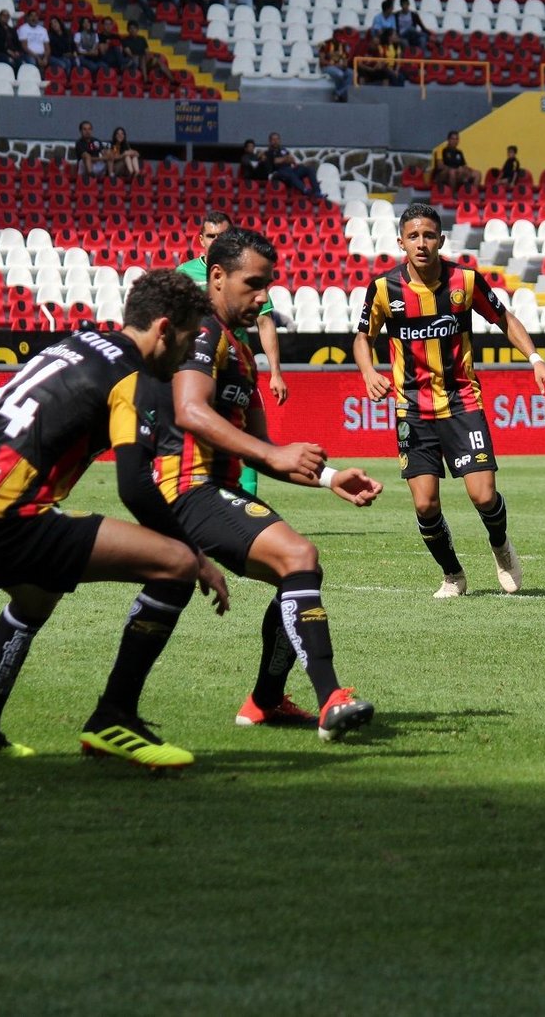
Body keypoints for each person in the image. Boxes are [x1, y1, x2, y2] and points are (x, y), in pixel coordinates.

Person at [0, 269, 230, 767]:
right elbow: (136, 486)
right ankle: (113, 718)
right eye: (186, 339)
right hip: (11, 517)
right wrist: (197, 554)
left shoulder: (82, 343)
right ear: (163, 329)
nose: (187, 354)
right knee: (175, 564)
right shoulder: (132, 376)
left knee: (35, 598)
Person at [148, 229, 381, 737]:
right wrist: (274, 452)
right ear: (216, 277)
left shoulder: (242, 353)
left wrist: (330, 477)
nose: (263, 296)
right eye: (253, 284)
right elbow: (189, 410)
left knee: (293, 572)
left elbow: (264, 450)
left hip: (214, 491)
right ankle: (331, 701)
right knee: (298, 557)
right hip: (186, 487)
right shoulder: (202, 333)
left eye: (269, 285)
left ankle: (266, 702)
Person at [352, 203, 545, 598]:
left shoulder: (464, 281)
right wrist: (367, 371)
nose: (422, 243)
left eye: (429, 235)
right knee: (426, 505)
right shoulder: (383, 288)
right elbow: (363, 336)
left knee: (483, 495)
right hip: (411, 408)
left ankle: (500, 547)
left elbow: (504, 319)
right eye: (413, 236)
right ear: (401, 242)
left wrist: (536, 360)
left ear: (441, 239)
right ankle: (453, 575)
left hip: (462, 403)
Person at [176, 210, 289, 490]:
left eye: (222, 236)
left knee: (247, 431)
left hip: (239, 361)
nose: (216, 241)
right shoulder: (184, 274)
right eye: (211, 236)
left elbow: (265, 321)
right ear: (200, 239)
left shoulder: (247, 272)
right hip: (197, 361)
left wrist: (275, 372)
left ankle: (245, 499)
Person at [263, 132, 323, 198]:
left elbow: (292, 160)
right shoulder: (267, 153)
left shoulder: (284, 150)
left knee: (308, 169)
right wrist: (285, 158)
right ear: (270, 141)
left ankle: (317, 192)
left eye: (277, 139)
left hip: (290, 170)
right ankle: (305, 190)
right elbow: (276, 161)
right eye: (273, 140)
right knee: (288, 173)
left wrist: (284, 159)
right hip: (278, 173)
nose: (275, 141)